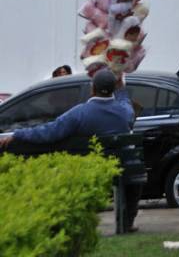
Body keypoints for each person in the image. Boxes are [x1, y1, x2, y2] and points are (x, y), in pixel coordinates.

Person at [0, 68, 141, 232]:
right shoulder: (124, 112)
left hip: (87, 169)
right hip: (121, 169)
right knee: (133, 169)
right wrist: (122, 88)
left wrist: (18, 135)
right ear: (114, 89)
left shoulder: (79, 113)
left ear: (92, 89)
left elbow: (49, 133)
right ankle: (127, 222)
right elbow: (125, 103)